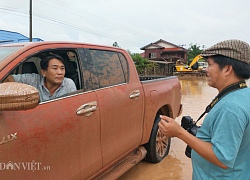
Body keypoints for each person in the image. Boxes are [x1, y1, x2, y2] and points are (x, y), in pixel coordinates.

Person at [158, 39, 250, 179]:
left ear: (227, 69)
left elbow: (222, 158)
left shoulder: (230, 108)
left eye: (210, 64)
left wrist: (180, 133)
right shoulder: (243, 94)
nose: (206, 69)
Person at [4, 54, 77, 102]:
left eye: (62, 68)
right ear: (44, 72)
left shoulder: (68, 84)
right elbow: (6, 79)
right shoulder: (33, 80)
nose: (60, 72)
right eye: (55, 68)